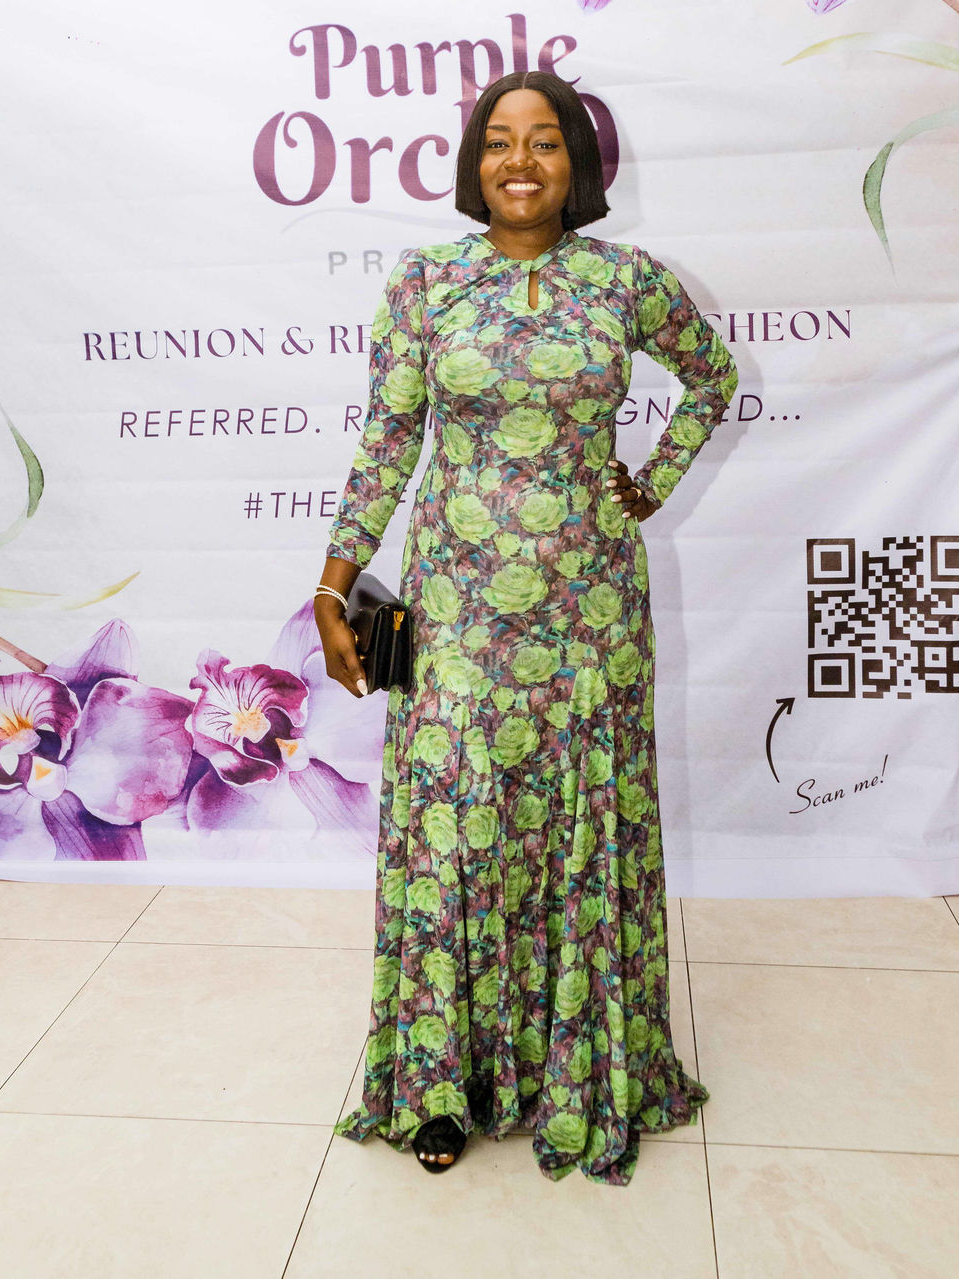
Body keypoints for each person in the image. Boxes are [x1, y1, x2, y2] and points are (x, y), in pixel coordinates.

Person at [313, 70, 738, 1186]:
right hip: (454, 612)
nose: (519, 160)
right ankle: (442, 1083)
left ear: (576, 165)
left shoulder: (625, 281)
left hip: (591, 615)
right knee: (452, 832)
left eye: (545, 141)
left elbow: (711, 378)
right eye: (499, 140)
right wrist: (331, 586)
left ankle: (575, 1072)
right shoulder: (426, 281)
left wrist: (649, 483)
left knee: (575, 834)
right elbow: (388, 437)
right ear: (473, 162)